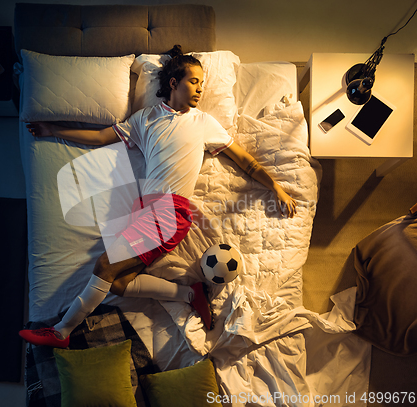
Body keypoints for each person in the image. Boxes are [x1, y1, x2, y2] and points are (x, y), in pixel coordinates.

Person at [19, 45, 297, 348]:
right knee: (120, 284)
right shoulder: (145, 119)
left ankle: (61, 331)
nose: (200, 89)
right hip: (146, 212)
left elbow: (247, 161)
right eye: (194, 81)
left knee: (103, 267)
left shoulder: (203, 122)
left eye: (203, 84)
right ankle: (191, 294)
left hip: (169, 213)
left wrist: (277, 187)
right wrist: (53, 130)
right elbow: (101, 137)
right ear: (174, 83)